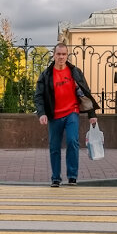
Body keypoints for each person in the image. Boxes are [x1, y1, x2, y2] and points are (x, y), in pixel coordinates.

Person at [33, 43, 99, 187]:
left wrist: (91, 114)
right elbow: (38, 96)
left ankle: (72, 176)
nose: (61, 57)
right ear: (54, 55)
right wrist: (42, 113)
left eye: (64, 54)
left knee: (72, 141)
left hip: (72, 112)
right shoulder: (46, 74)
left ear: (67, 55)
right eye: (59, 54)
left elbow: (85, 92)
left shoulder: (75, 72)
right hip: (54, 115)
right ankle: (56, 178)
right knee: (54, 146)